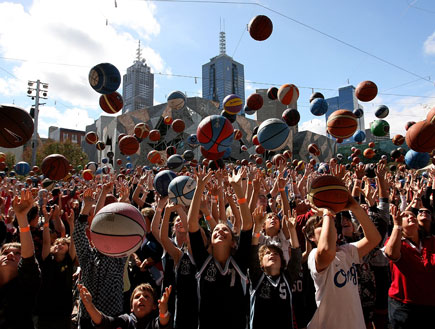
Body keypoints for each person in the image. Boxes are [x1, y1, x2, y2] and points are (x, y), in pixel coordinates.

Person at [188, 166, 253, 329]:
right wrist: (199, 188)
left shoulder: (239, 262)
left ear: (233, 242)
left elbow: (247, 225)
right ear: (210, 239)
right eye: (216, 229)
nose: (220, 230)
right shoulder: (203, 261)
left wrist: (238, 190)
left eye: (225, 230)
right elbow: (192, 225)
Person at [305, 191, 381, 329]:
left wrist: (355, 208)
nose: (329, 225)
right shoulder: (314, 255)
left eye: (331, 223)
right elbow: (326, 250)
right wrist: (327, 214)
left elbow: (374, 239)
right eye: (321, 224)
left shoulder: (347, 251)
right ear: (311, 237)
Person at [73, 186, 127, 329]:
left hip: (112, 317)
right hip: (87, 318)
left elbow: (128, 228)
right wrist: (86, 207)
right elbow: (79, 234)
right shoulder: (88, 257)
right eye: (100, 233)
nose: (105, 236)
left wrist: (124, 202)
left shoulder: (119, 256)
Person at [384, 205, 435, 329]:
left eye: (412, 215)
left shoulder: (431, 241)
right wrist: (397, 226)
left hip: (430, 305)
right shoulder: (395, 241)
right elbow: (391, 253)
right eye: (405, 216)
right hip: (403, 307)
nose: (410, 216)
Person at [249, 208, 302, 329]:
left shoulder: (287, 277)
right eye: (267, 253)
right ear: (260, 263)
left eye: (276, 253)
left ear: (283, 262)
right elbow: (253, 250)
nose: (272, 254)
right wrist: (257, 226)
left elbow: (296, 257)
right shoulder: (256, 276)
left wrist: (292, 230)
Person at [0, 189, 41, 329]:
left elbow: (29, 257)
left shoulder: (26, 284)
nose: (10, 255)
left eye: (17, 253)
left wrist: (21, 217)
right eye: (5, 252)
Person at [36, 208, 77, 329]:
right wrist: (46, 222)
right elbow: (45, 243)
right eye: (57, 243)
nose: (59, 245)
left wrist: (71, 224)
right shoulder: (47, 259)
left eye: (63, 244)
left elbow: (74, 242)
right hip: (45, 305)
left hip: (63, 306)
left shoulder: (69, 260)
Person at [78, 283, 173, 329]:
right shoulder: (126, 320)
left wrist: (163, 310)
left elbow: (163, 322)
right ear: (131, 307)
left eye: (146, 296)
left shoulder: (153, 323)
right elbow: (104, 321)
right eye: (137, 297)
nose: (141, 298)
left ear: (154, 306)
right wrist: (89, 305)